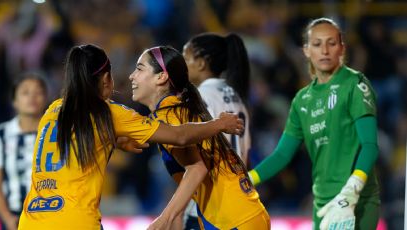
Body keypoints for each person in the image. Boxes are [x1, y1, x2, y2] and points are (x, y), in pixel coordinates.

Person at [17, 44, 243, 230]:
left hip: (30, 221)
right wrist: (219, 123)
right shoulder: (109, 112)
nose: (131, 76)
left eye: (139, 69)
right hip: (75, 220)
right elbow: (180, 136)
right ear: (106, 79)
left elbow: (69, 145)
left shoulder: (53, 110)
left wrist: (113, 140)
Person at [248, 17, 380, 230]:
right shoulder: (302, 100)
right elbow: (282, 154)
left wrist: (352, 189)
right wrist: (248, 179)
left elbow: (370, 146)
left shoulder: (355, 85)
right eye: (317, 44)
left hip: (356, 201)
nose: (325, 51)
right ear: (307, 50)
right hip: (323, 204)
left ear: (342, 48)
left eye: (332, 43)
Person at [129, 45, 269, 230]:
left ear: (161, 77)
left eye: (139, 69)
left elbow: (197, 167)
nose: (132, 76)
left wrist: (165, 218)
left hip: (230, 219)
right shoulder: (179, 108)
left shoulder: (167, 115)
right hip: (244, 213)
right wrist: (177, 214)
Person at [181, 32, 252, 229]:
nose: (182, 65)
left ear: (202, 63)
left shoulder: (200, 97)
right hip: (240, 202)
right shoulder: (237, 97)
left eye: (186, 58)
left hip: (211, 206)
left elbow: (199, 158)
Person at [0, 73, 48, 230]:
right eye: (25, 92)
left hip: (50, 214)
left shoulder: (56, 134)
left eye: (38, 92)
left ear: (46, 99)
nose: (32, 97)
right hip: (14, 217)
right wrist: (8, 218)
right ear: (14, 101)